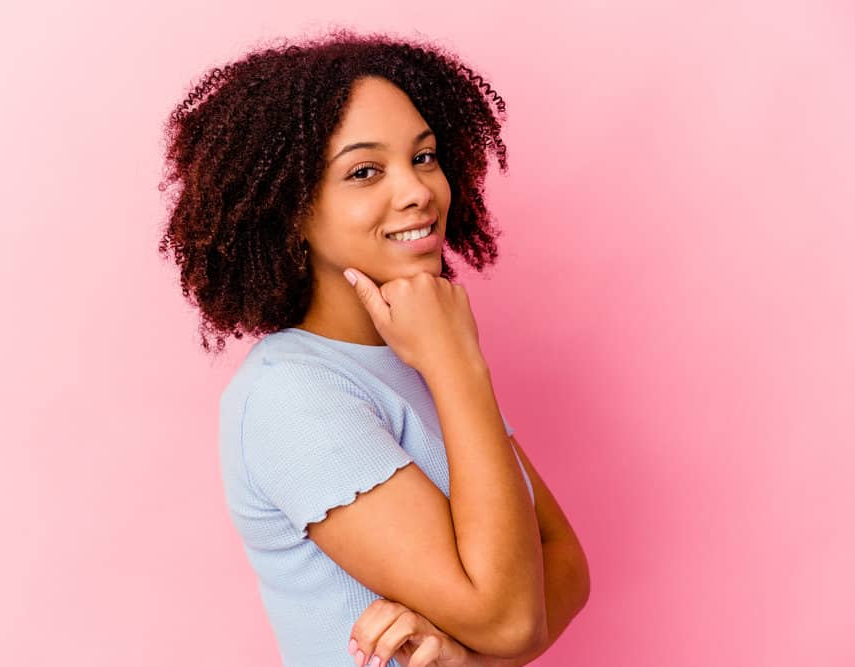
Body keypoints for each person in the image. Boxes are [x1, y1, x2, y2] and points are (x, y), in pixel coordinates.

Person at [157, 29, 590, 667]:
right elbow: (510, 618)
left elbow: (565, 563)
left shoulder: (419, 353)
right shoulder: (292, 396)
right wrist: (456, 364)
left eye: (424, 156)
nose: (418, 191)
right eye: (365, 171)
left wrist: (470, 661)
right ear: (289, 209)